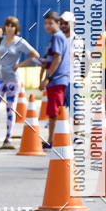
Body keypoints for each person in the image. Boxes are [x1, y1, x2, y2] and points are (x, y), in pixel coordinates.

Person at [0, 17, 39, 149]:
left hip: (13, 79)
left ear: (16, 28)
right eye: (7, 25)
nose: (9, 28)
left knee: (10, 108)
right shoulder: (1, 40)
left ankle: (8, 136)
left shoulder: (20, 42)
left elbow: (35, 54)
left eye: (12, 26)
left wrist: (20, 64)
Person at [39, 10, 70, 149]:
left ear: (58, 23)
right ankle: (54, 139)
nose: (47, 26)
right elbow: (53, 58)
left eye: (51, 23)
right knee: (55, 111)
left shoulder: (57, 37)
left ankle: (52, 140)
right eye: (45, 23)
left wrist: (47, 77)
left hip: (57, 79)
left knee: (54, 112)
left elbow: (57, 58)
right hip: (58, 79)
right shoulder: (57, 37)